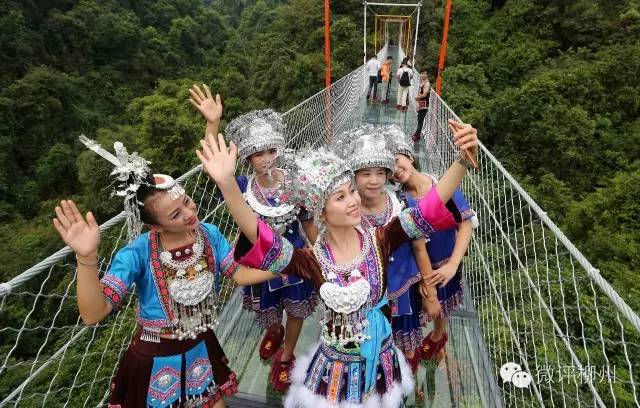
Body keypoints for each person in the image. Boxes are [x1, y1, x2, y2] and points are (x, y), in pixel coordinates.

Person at [194, 120, 479, 407]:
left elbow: (430, 206)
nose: (353, 200)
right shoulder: (311, 260)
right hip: (335, 366)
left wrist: (462, 161)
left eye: (352, 191)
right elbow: (259, 235)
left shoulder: (381, 240)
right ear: (321, 211)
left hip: (381, 354)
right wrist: (227, 184)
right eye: (341, 197)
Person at [52, 137, 253, 407]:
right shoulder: (138, 253)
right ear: (155, 227)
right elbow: (93, 314)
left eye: (187, 201)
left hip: (200, 342)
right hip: (157, 354)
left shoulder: (208, 233)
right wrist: (86, 258)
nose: (189, 213)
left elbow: (239, 273)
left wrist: (288, 265)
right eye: (175, 215)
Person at [190, 88, 318, 392]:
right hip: (260, 265)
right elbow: (215, 169)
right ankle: (274, 331)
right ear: (248, 158)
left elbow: (308, 222)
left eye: (271, 151)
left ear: (280, 150)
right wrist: (212, 123)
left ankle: (287, 355)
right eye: (258, 154)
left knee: (296, 309)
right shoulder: (243, 187)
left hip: (295, 258)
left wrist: (319, 255)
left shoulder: (297, 182)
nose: (266, 159)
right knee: (268, 308)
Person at [336, 124, 442, 374]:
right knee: (369, 344)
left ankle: (403, 380)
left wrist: (431, 295)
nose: (374, 181)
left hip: (403, 288)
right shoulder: (347, 213)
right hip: (366, 295)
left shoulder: (401, 205)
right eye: (365, 174)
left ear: (387, 175)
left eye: (380, 173)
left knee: (407, 344)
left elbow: (419, 249)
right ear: (353, 177)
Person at [388, 122, 478, 362]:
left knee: (443, 307)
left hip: (447, 263)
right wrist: (422, 279)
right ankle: (419, 343)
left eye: (397, 161)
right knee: (424, 305)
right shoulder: (399, 201)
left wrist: (453, 265)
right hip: (420, 270)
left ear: (410, 156)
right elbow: (412, 246)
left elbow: (465, 224)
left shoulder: (440, 187)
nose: (395, 170)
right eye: (389, 169)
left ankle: (438, 338)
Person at [412, 71, 431, 141]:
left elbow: (425, 94)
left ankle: (417, 135)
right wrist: (417, 102)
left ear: (427, 75)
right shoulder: (422, 81)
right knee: (419, 118)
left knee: (420, 119)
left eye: (424, 74)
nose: (422, 75)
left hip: (424, 103)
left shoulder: (427, 83)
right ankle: (417, 133)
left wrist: (417, 98)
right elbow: (420, 92)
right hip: (421, 102)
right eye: (421, 73)